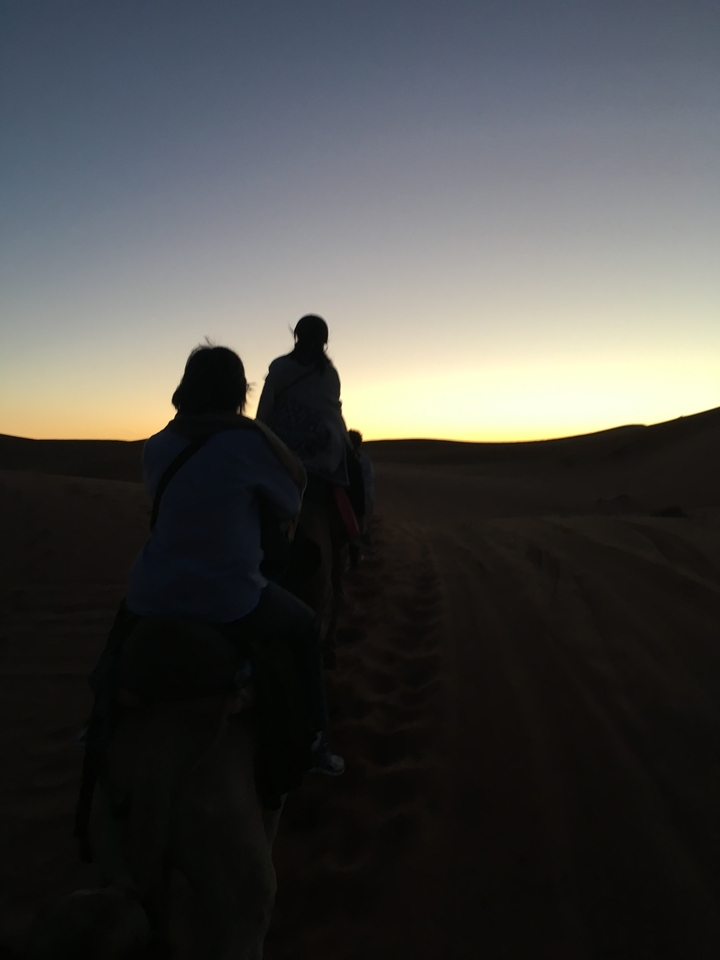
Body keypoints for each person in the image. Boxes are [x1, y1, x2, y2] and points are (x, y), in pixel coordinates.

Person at [121, 345, 343, 778]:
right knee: (305, 628)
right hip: (230, 598)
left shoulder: (157, 444)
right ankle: (316, 738)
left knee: (124, 631)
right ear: (239, 391)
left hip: (154, 591)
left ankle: (98, 718)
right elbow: (285, 502)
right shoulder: (249, 442)